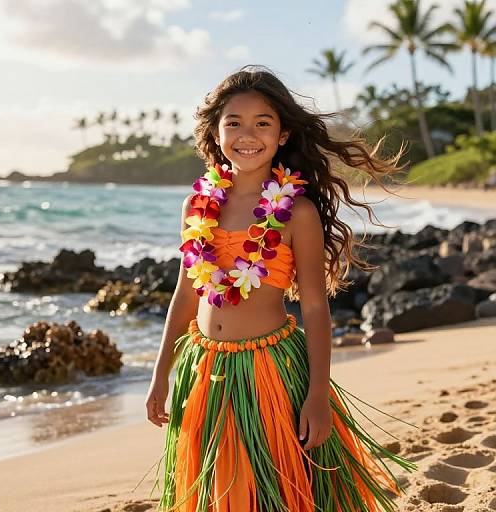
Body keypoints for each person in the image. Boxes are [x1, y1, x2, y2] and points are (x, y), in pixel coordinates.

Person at [143, 65, 418, 511]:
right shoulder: (197, 204)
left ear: (283, 135)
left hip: (269, 370)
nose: (246, 134)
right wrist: (160, 374)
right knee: (219, 493)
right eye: (233, 123)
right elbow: (185, 293)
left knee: (276, 491)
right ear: (215, 133)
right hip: (206, 371)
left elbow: (313, 307)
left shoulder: (297, 213)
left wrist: (317, 395)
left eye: (262, 124)